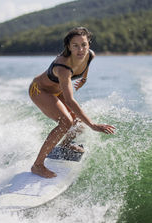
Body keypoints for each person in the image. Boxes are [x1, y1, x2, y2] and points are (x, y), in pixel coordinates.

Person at [28, 27, 116, 178]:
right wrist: (93, 125)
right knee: (66, 122)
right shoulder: (63, 67)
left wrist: (84, 78)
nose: (80, 49)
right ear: (68, 46)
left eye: (84, 44)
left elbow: (85, 65)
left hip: (57, 89)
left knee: (78, 124)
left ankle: (65, 145)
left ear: (89, 44)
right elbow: (70, 100)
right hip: (40, 90)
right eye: (75, 46)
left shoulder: (90, 55)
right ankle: (37, 165)